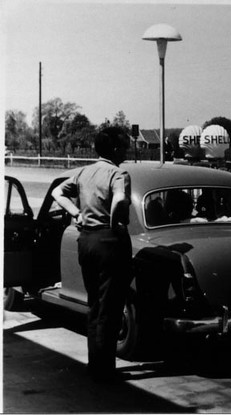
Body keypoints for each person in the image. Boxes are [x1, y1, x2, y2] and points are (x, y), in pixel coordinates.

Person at [52, 126, 132, 382]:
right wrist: (114, 221)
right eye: (124, 146)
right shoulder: (119, 174)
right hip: (109, 242)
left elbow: (57, 193)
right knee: (111, 306)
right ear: (116, 149)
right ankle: (104, 369)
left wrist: (76, 213)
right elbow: (119, 200)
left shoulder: (83, 172)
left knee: (95, 304)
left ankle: (94, 364)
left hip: (85, 240)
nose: (127, 150)